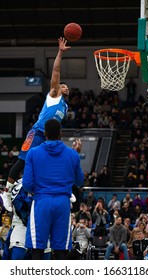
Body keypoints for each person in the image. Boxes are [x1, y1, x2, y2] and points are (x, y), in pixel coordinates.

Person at [5, 37, 72, 194]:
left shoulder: (65, 106)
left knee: (53, 162)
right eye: (62, 85)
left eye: (66, 86)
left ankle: (61, 190)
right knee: (22, 161)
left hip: (50, 138)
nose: (65, 87)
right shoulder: (54, 95)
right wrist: (60, 52)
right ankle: (6, 192)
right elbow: (56, 71)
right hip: (37, 133)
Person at [22, 118, 84, 260]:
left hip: (42, 201)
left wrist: (40, 190)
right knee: (61, 249)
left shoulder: (33, 153)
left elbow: (27, 183)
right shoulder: (72, 154)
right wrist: (76, 156)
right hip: (63, 203)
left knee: (37, 248)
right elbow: (79, 181)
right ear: (60, 133)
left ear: (45, 133)